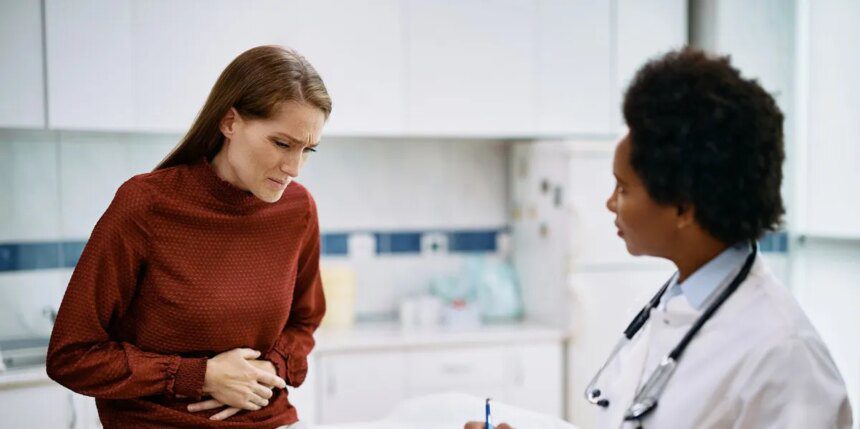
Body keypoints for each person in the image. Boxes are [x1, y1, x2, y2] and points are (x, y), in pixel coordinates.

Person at [467, 48, 852, 428]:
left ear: (684, 208)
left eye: (623, 188)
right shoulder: (675, 306)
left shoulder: (785, 357)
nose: (609, 202)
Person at [47, 45, 330, 428]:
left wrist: (270, 365)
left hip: (270, 419)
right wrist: (201, 375)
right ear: (230, 122)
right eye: (282, 144)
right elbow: (72, 356)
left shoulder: (297, 209)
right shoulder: (146, 205)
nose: (294, 167)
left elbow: (305, 319)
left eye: (308, 149)